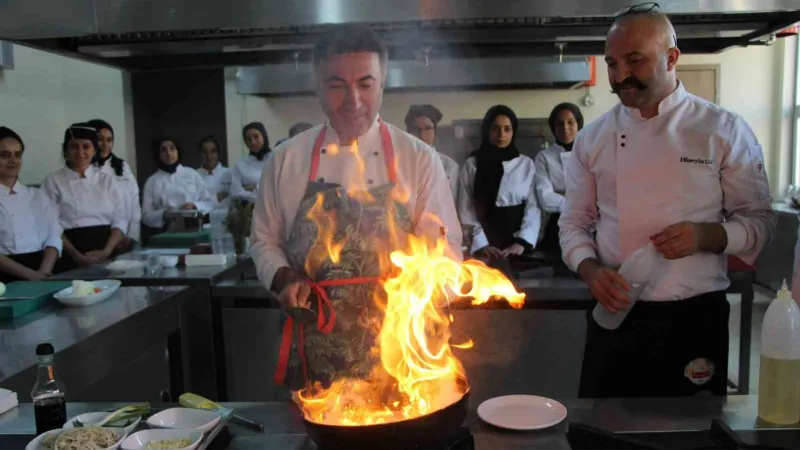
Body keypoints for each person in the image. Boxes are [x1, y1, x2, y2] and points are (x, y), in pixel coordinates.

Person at [559, 5, 776, 398]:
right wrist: (590, 271)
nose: (619, 75)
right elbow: (573, 222)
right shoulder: (593, 139)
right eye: (611, 63)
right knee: (602, 433)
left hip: (694, 318)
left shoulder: (721, 130)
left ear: (672, 57)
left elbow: (761, 222)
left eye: (634, 60)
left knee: (689, 435)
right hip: (616, 313)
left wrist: (707, 236)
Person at [250, 25, 461, 390]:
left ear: (382, 83)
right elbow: (264, 240)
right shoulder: (286, 160)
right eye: (337, 85)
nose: (353, 99)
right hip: (316, 356)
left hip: (401, 357)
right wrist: (285, 279)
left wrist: (423, 291)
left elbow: (446, 250)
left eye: (365, 83)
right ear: (316, 86)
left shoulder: (418, 159)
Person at [457, 105, 541, 259]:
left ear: (513, 131)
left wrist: (522, 242)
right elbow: (466, 208)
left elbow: (533, 207)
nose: (501, 135)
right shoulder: (472, 165)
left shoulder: (526, 164)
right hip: (483, 246)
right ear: (487, 130)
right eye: (495, 129)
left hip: (517, 247)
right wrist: (482, 243)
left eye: (507, 129)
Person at [42, 123, 128, 272]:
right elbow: (51, 225)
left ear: (94, 150)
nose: (80, 152)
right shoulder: (53, 181)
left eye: (86, 147)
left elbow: (120, 219)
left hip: (107, 249)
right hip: (69, 251)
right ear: (65, 150)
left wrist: (107, 251)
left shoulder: (107, 180)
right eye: (74, 146)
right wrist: (77, 256)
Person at [0, 127, 62, 282]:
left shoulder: (38, 195)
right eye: (4, 155)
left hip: (42, 270)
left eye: (17, 155)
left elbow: (54, 236)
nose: (13, 160)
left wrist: (43, 273)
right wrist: (30, 276)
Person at [534, 103, 584, 256]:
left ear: (579, 124)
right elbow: (545, 198)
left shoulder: (589, 152)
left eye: (571, 122)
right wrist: (579, 203)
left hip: (589, 224)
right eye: (559, 124)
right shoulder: (544, 157)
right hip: (557, 225)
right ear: (553, 127)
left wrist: (562, 195)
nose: (565, 128)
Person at [87, 119, 141, 250]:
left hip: (126, 238)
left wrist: (132, 235)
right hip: (100, 238)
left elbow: (134, 201)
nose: (105, 144)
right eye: (100, 139)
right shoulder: (85, 169)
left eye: (109, 140)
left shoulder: (122, 166)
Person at [142, 138, 216, 230]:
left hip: (194, 227)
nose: (168, 153)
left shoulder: (191, 174)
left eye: (172, 149)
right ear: (158, 154)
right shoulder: (152, 181)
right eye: (163, 150)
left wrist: (194, 205)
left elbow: (209, 203)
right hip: (165, 232)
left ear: (178, 151)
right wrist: (164, 214)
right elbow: (146, 215)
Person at [405, 104, 459, 203]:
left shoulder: (448, 167)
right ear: (408, 132)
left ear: (435, 132)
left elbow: (451, 204)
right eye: (416, 129)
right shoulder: (398, 164)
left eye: (428, 128)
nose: (422, 135)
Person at [230, 122, 271, 202]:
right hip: (250, 210)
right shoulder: (240, 165)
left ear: (264, 136)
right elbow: (236, 192)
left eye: (256, 137)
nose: (253, 142)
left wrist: (253, 188)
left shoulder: (275, 159)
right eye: (248, 139)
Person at [196, 136, 232, 203]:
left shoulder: (230, 173)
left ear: (218, 153)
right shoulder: (194, 176)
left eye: (213, 151)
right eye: (205, 152)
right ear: (199, 154)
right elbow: (193, 203)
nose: (209, 156)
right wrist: (216, 197)